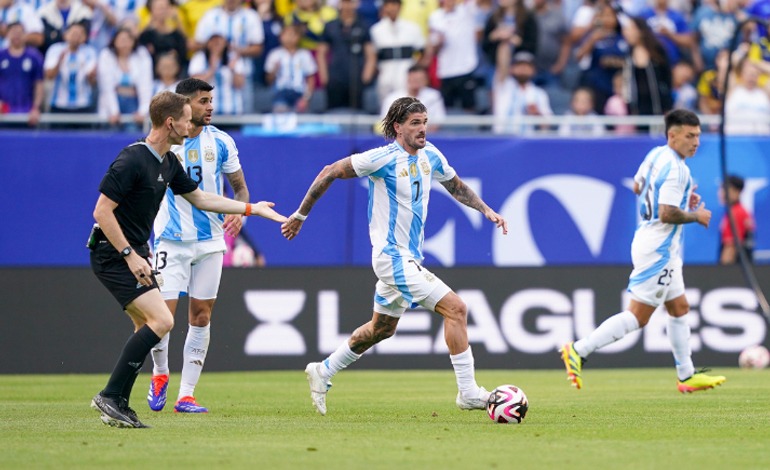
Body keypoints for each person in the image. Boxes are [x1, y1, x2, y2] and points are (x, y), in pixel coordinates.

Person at [281, 96, 508, 416]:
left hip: (410, 257)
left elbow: (456, 186)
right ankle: (468, 392)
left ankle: (323, 370)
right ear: (398, 127)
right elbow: (330, 171)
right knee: (456, 308)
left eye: (425, 122)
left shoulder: (431, 155)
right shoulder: (382, 158)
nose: (422, 129)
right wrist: (301, 215)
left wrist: (486, 210)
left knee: (381, 329)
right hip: (391, 256)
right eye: (415, 123)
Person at [89, 90, 286, 428]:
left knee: (146, 325)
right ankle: (110, 395)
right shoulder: (132, 159)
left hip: (133, 253)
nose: (190, 122)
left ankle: (118, 400)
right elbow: (102, 211)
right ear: (170, 122)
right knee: (163, 322)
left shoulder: (167, 161)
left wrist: (252, 208)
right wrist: (129, 255)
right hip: (112, 254)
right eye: (185, 117)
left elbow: (201, 198)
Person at [560, 109, 727, 394]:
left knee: (679, 306)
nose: (696, 142)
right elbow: (667, 213)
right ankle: (578, 349)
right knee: (638, 316)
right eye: (690, 136)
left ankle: (686, 375)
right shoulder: (677, 169)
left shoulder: (655, 155)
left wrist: (682, 195)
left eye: (698, 136)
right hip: (659, 248)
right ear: (672, 135)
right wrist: (695, 215)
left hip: (654, 242)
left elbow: (639, 186)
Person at [146, 78, 252, 414]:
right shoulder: (166, 143)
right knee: (162, 317)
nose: (210, 107)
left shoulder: (221, 142)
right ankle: (160, 374)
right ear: (185, 104)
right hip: (170, 241)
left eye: (211, 100)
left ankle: (186, 394)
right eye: (204, 101)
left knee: (202, 316)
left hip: (209, 242)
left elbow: (240, 189)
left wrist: (241, 216)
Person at [0, 22, 44, 126]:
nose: (17, 35)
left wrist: (36, 108)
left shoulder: (34, 57)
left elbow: (39, 84)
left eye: (20, 32)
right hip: (3, 112)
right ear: (7, 34)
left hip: (27, 113)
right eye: (14, 32)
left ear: (25, 35)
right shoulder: (1, 56)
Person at [719, 174, 755, 265]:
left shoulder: (735, 213)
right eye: (721, 189)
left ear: (737, 192)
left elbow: (730, 247)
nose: (721, 193)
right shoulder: (742, 211)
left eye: (726, 189)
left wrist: (722, 274)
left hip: (735, 271)